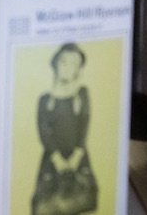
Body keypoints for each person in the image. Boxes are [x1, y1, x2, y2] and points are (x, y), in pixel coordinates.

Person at [32, 43, 98, 215]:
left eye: (73, 64)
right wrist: (57, 159)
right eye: (64, 62)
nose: (68, 68)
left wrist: (76, 155)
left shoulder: (82, 93)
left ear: (78, 69)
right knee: (47, 205)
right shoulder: (45, 99)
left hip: (78, 157)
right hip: (52, 158)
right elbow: (43, 131)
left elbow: (84, 125)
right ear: (55, 64)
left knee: (83, 202)